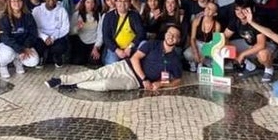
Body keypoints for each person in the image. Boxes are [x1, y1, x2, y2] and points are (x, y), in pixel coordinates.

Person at [45, 25, 183, 92]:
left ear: (178, 40)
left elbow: (177, 80)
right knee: (96, 74)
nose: (171, 36)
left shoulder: (175, 60)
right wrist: (145, 79)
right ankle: (61, 80)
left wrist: (161, 84)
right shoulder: (152, 44)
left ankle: (75, 85)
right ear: (165, 34)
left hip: (134, 82)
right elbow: (135, 58)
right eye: (169, 33)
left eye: (175, 35)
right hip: (126, 66)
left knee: (105, 84)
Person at [223, 0, 277, 82]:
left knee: (263, 54)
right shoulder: (236, 20)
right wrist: (235, 55)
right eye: (237, 10)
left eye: (243, 9)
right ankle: (249, 66)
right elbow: (223, 37)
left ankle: (269, 69)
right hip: (249, 44)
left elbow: (261, 44)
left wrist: (242, 54)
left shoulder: (257, 20)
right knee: (223, 44)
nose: (240, 12)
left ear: (249, 9)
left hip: (266, 45)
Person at [0, 0, 40, 78]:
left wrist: (26, 47)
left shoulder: (28, 16)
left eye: (19, 0)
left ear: (22, 2)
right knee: (7, 54)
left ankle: (17, 60)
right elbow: (5, 38)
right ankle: (3, 66)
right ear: (9, 3)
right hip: (5, 45)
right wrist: (20, 50)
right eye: (14, 1)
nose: (17, 3)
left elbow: (33, 34)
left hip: (23, 45)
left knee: (34, 60)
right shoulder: (5, 18)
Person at [102, 0, 145, 65]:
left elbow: (141, 33)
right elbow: (106, 37)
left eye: (125, 1)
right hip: (115, 49)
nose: (122, 4)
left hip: (132, 47)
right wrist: (117, 50)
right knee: (112, 67)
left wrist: (130, 47)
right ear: (116, 2)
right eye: (120, 1)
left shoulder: (134, 15)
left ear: (129, 3)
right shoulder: (108, 16)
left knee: (144, 44)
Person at [32, 0, 70, 67]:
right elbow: (34, 27)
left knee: (61, 46)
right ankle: (41, 57)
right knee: (36, 44)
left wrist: (53, 38)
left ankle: (57, 56)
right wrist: (45, 37)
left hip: (56, 37)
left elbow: (65, 28)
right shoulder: (37, 10)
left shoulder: (62, 10)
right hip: (41, 37)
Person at [183, 2, 221, 72]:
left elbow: (215, 43)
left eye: (210, 9)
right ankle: (196, 62)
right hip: (198, 44)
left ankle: (203, 62)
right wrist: (195, 52)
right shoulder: (197, 21)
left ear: (215, 14)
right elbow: (193, 38)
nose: (207, 9)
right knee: (187, 54)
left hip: (209, 45)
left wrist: (205, 55)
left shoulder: (217, 25)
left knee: (217, 56)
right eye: (207, 7)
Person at [69, 0, 100, 65]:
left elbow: (100, 32)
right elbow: (70, 32)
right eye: (88, 2)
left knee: (94, 62)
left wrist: (96, 47)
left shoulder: (98, 15)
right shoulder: (77, 15)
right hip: (81, 41)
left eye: (92, 2)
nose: (90, 5)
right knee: (78, 62)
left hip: (93, 42)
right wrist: (77, 28)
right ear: (84, 3)